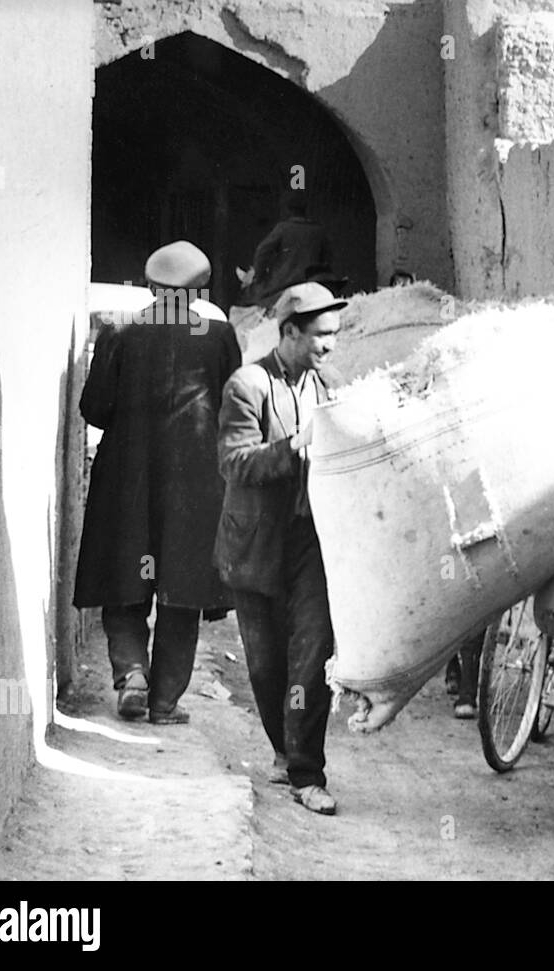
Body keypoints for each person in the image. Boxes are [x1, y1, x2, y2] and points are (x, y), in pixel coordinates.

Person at [75, 241, 241, 724]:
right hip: (196, 485)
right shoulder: (220, 336)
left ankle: (132, 674)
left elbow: (95, 408)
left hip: (126, 480)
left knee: (124, 580)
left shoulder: (119, 333)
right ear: (199, 292)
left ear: (150, 286)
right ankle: (164, 702)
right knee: (181, 590)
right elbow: (234, 409)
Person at [214, 281, 346, 815]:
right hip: (257, 545)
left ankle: (307, 773)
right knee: (267, 668)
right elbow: (234, 462)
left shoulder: (330, 384)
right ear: (290, 331)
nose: (329, 347)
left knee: (312, 657)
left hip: (313, 544)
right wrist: (295, 446)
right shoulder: (247, 386)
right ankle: (281, 748)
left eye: (334, 335)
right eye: (320, 336)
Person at [244, 190, 333, 305]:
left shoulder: (283, 228)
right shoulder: (318, 231)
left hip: (283, 286)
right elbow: (328, 260)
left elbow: (262, 251)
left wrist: (259, 276)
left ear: (288, 210)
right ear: (305, 209)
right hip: (312, 287)